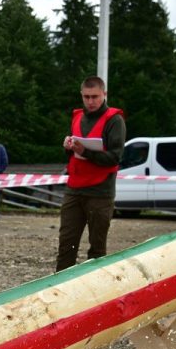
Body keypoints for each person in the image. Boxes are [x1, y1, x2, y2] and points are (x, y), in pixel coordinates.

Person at [56, 75, 126, 272]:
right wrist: (68, 147)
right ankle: (59, 290)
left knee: (97, 250)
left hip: (100, 192)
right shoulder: (77, 116)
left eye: (95, 96)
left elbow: (115, 157)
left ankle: (95, 290)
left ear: (104, 94)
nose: (90, 101)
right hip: (74, 189)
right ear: (82, 95)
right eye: (86, 97)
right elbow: (72, 154)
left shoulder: (115, 120)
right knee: (66, 245)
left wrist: (84, 151)